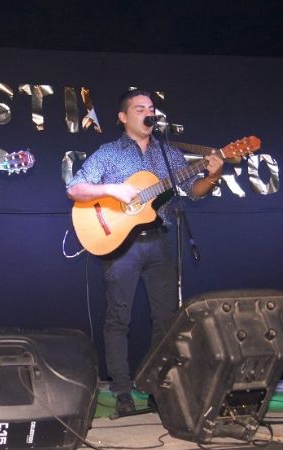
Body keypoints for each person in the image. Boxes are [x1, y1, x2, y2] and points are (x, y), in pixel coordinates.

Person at [66, 89, 223, 415]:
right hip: (120, 245)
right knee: (118, 319)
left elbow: (193, 192)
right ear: (124, 117)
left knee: (166, 320)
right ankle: (122, 392)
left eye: (151, 108)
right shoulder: (109, 153)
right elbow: (75, 188)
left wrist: (214, 174)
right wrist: (113, 188)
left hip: (160, 242)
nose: (148, 113)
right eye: (140, 108)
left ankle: (157, 388)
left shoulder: (168, 155)